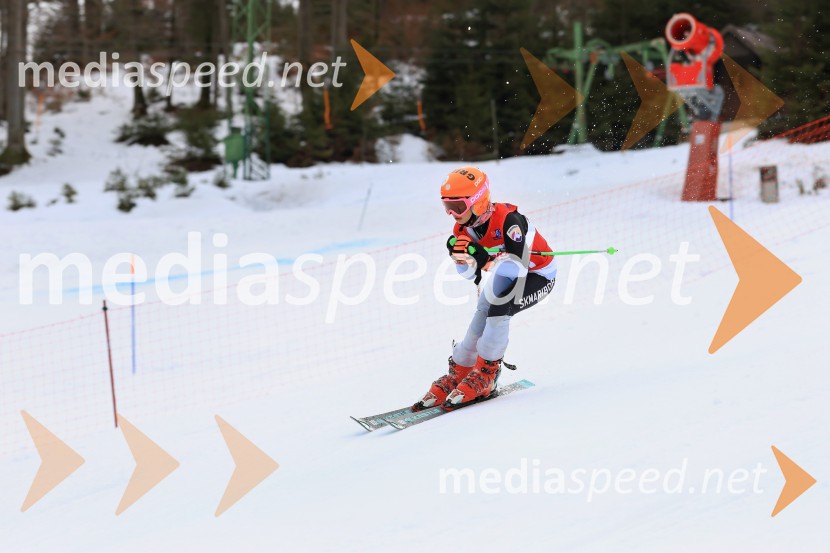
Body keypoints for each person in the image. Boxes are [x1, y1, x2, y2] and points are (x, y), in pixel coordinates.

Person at [416, 166, 557, 410]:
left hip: (539, 273)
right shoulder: (462, 228)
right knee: (482, 311)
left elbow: (519, 270)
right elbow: (470, 275)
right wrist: (461, 259)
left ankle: (487, 373)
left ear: (478, 201)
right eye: (446, 206)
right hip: (505, 270)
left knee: (499, 310)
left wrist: (484, 260)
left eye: (457, 207)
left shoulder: (509, 221)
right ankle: (460, 369)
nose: (452, 214)